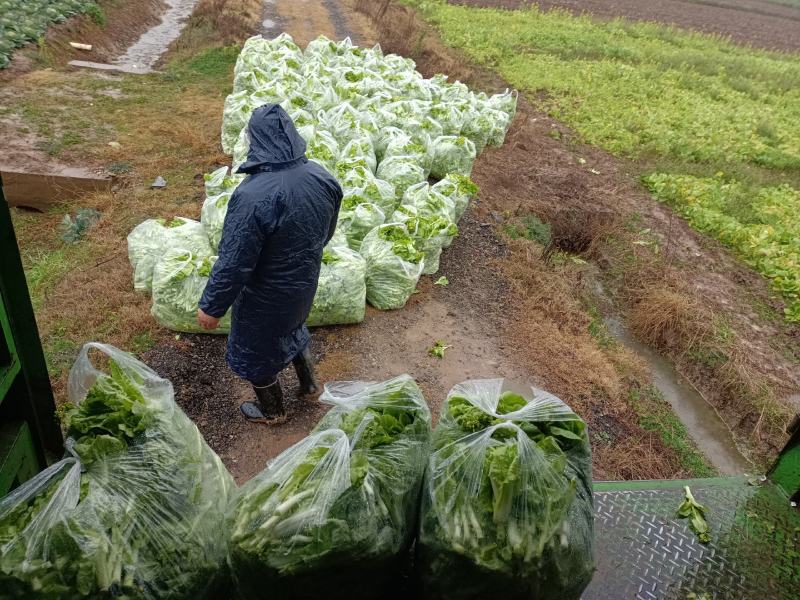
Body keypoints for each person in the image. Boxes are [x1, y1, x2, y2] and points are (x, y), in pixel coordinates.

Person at [197, 104, 342, 424]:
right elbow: (326, 232)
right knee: (293, 327)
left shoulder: (252, 196)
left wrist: (212, 305)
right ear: (290, 134)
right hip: (304, 280)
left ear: (256, 140)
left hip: (265, 293)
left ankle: (273, 411)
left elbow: (235, 261)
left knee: (256, 349)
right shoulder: (321, 177)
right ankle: (309, 385)